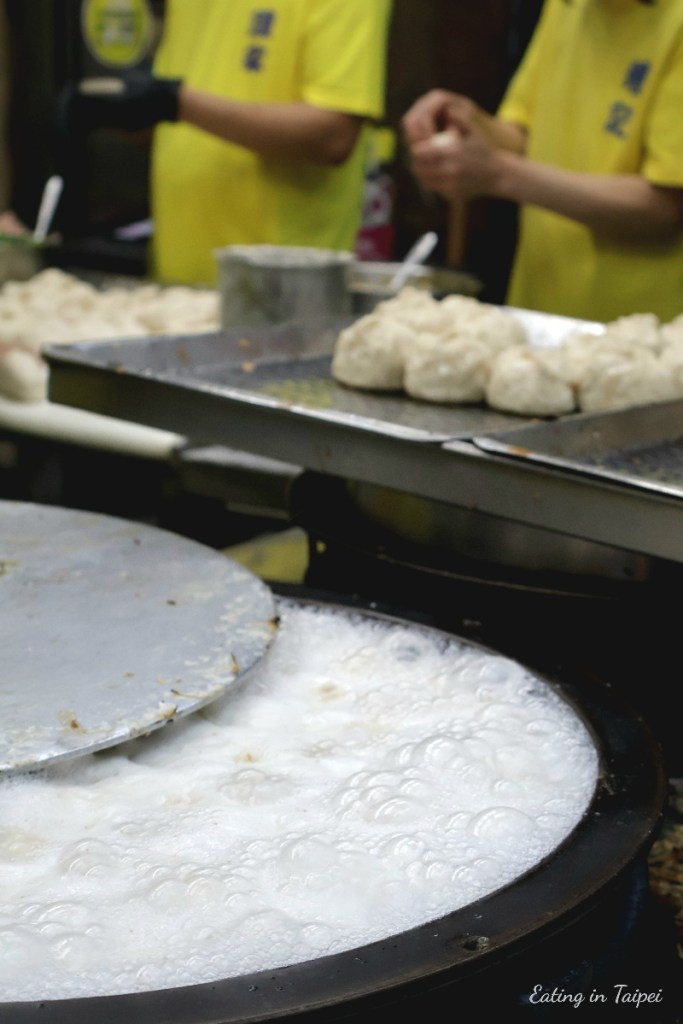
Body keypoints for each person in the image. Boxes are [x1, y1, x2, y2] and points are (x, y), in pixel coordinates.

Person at [62, 0, 393, 286]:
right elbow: (189, 128)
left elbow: (333, 137)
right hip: (175, 289)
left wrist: (177, 103)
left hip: (281, 295)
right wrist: (123, 113)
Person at [402, 0, 683, 324]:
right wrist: (464, 118)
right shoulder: (569, 5)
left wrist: (499, 174)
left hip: (638, 328)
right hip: (540, 309)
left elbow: (663, 206)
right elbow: (524, 136)